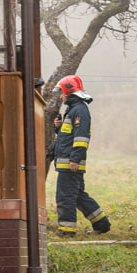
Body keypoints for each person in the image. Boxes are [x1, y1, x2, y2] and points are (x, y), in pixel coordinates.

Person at [53, 74, 111, 237]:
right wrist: (57, 128)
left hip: (70, 163)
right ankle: (101, 224)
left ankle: (66, 231)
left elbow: (81, 137)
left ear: (69, 92)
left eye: (61, 92)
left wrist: (75, 159)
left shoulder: (79, 110)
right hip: (68, 162)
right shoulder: (72, 110)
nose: (60, 96)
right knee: (78, 196)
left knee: (65, 196)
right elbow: (67, 137)